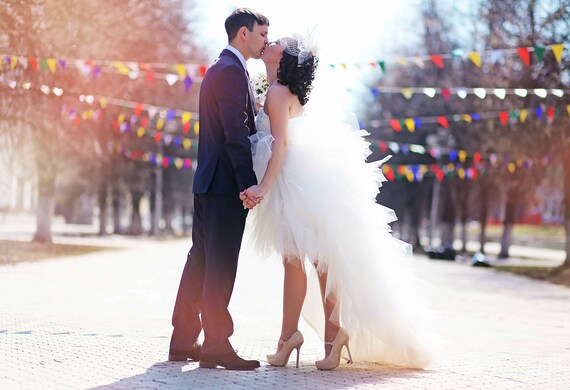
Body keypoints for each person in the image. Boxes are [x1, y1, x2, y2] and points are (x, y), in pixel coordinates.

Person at [242, 34, 442, 370]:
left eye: (275, 40)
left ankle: (289, 338)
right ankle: (332, 341)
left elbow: (281, 146)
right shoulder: (283, 91)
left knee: (295, 261)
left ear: (285, 57)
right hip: (310, 183)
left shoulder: (277, 93)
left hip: (294, 183)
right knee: (321, 262)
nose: (269, 40)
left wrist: (263, 186)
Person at [168, 8, 269, 371]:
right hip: (225, 185)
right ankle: (215, 344)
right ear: (243, 34)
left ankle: (182, 341)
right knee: (219, 265)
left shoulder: (222, 68)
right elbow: (235, 132)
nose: (264, 41)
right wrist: (248, 184)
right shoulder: (229, 71)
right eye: (261, 34)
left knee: (201, 262)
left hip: (207, 182)